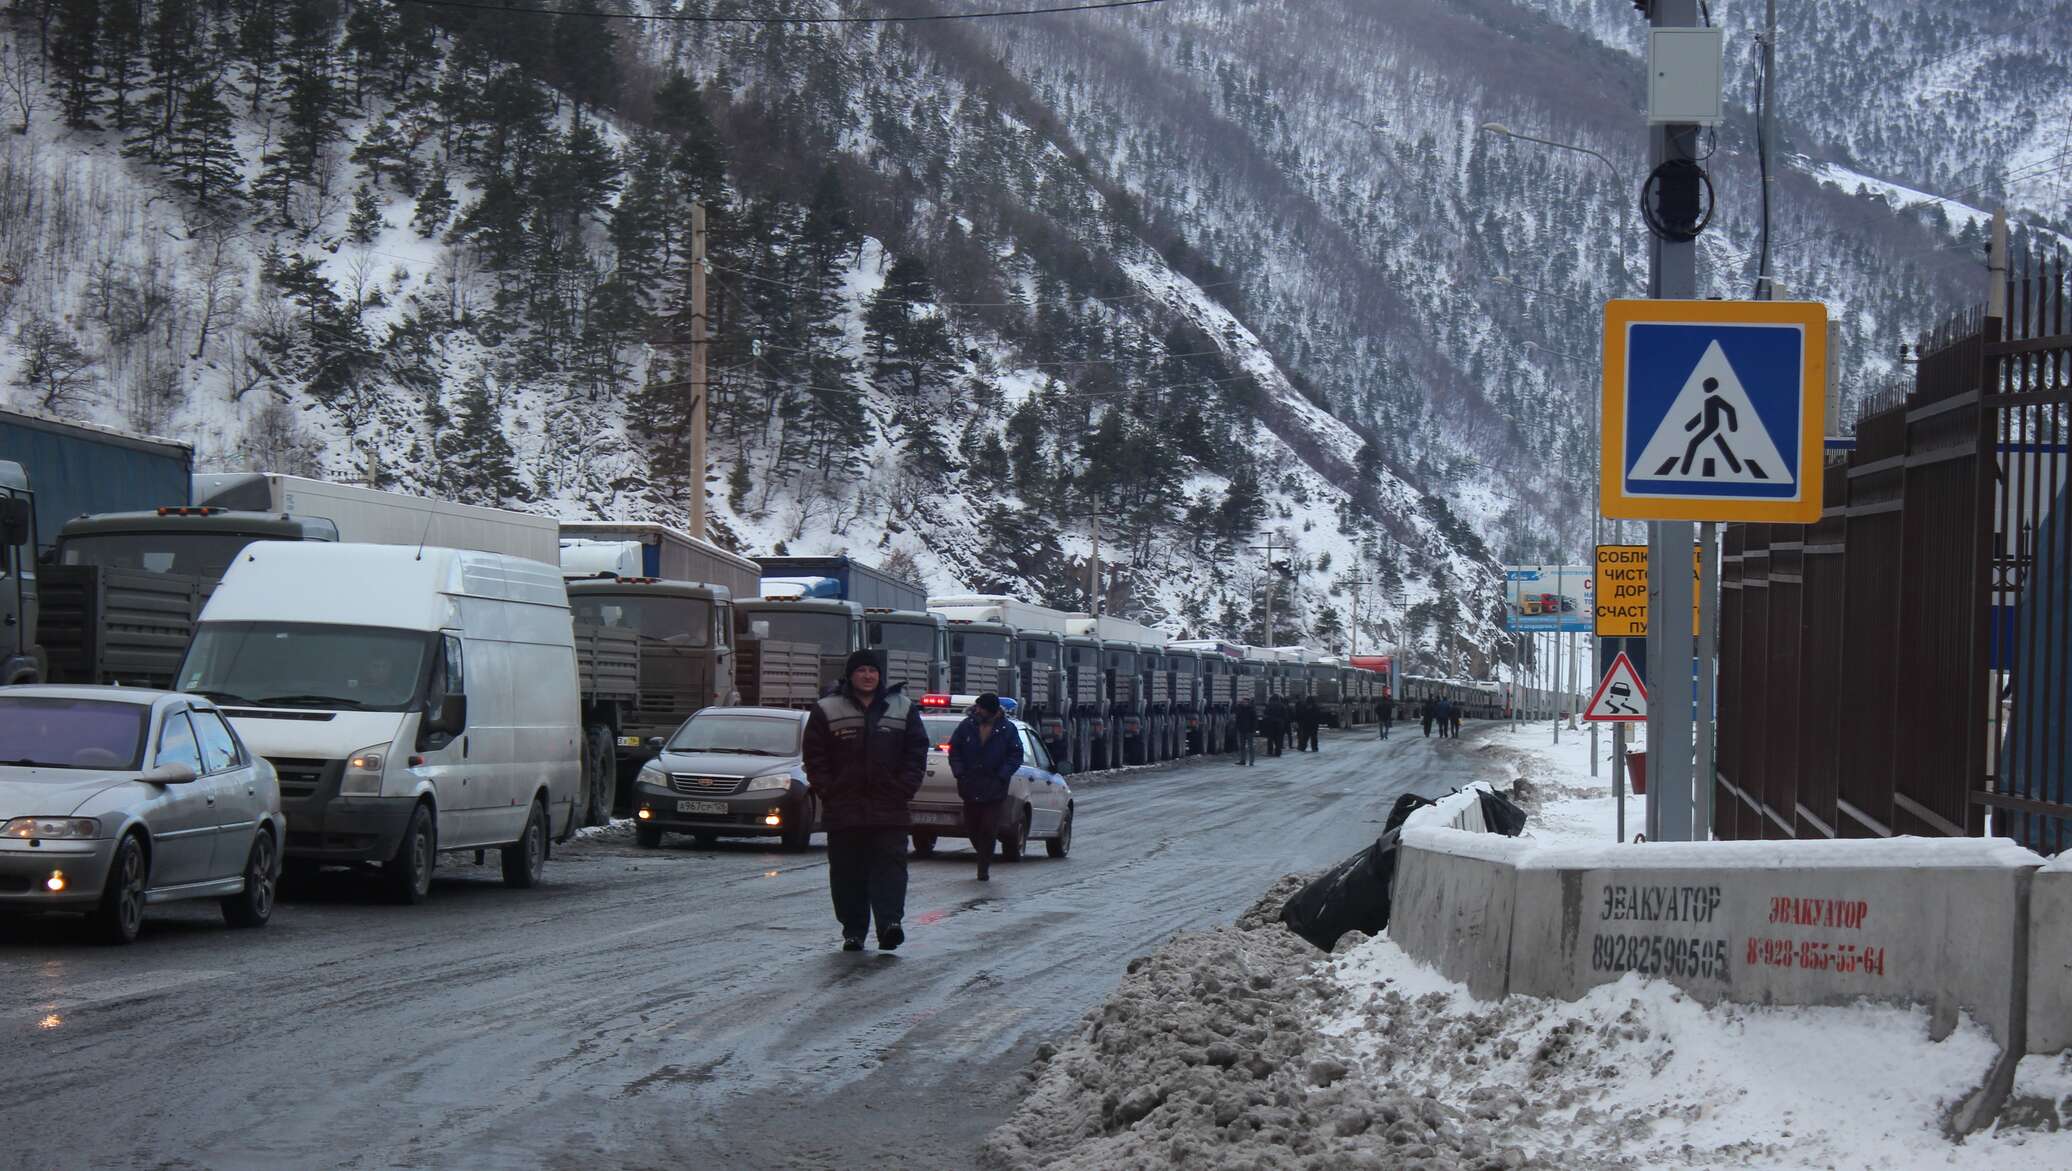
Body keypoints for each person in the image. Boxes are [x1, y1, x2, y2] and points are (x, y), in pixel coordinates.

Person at [803, 649, 929, 952]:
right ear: (851, 675)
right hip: (844, 809)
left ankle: (889, 925)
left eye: (873, 670)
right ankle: (854, 930)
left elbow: (916, 752)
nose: (868, 676)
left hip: (890, 808)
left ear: (880, 675)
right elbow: (815, 756)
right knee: (848, 873)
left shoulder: (902, 707)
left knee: (890, 869)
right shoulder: (826, 708)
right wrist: (828, 789)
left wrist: (904, 788)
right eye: (861, 670)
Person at [948, 693, 1023, 882]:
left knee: (989, 828)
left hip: (994, 788)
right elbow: (954, 750)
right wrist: (960, 772)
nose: (977, 710)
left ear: (991, 710)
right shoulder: (967, 726)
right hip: (970, 785)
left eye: (981, 708)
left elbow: (1015, 755)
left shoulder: (1007, 729)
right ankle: (984, 852)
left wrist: (1002, 775)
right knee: (972, 827)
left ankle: (983, 867)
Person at [1233, 699, 1257, 766]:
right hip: (1242, 730)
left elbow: (1255, 721)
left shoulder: (1251, 710)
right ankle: (1242, 760)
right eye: (1243, 702)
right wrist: (1238, 727)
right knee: (1242, 746)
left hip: (1249, 731)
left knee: (1250, 746)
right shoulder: (1240, 709)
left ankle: (1251, 761)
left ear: (1248, 702)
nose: (1244, 703)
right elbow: (1237, 719)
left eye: (1245, 702)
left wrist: (1253, 729)